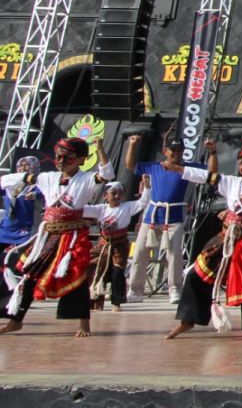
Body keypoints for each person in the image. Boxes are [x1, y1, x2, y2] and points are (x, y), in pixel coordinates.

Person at [164, 138, 242, 342]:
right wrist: (178, 169)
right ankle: (188, 320)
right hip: (224, 238)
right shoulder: (231, 182)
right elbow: (206, 176)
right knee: (196, 275)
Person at [0, 137, 113, 337]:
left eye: (66, 157)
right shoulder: (47, 177)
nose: (60, 161)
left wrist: (101, 148)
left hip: (72, 236)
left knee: (77, 276)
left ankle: (84, 323)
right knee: (30, 276)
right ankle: (16, 320)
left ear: (81, 159)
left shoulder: (87, 179)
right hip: (48, 236)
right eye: (58, 157)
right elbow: (10, 180)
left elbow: (107, 174)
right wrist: (24, 178)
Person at [126, 134, 206, 303]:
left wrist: (212, 153)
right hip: (152, 217)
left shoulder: (186, 169)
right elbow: (131, 166)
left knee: (174, 255)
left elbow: (209, 173)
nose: (177, 154)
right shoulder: (155, 167)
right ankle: (135, 289)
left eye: (180, 151)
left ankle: (175, 289)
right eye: (174, 150)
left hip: (174, 217)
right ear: (165, 151)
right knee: (140, 253)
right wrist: (132, 145)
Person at [84, 179, 150, 312]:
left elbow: (143, 202)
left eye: (119, 193)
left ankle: (116, 303)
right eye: (113, 193)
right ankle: (95, 303)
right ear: (105, 196)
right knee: (96, 270)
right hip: (103, 245)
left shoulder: (127, 207)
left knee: (117, 273)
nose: (117, 196)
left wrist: (147, 187)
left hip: (120, 246)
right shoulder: (101, 209)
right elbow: (82, 209)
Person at [0, 156, 41, 268]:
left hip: (27, 230)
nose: (23, 168)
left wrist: (35, 194)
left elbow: (44, 194)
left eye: (27, 165)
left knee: (24, 263)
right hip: (7, 228)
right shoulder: (9, 184)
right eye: (20, 165)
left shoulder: (39, 185)